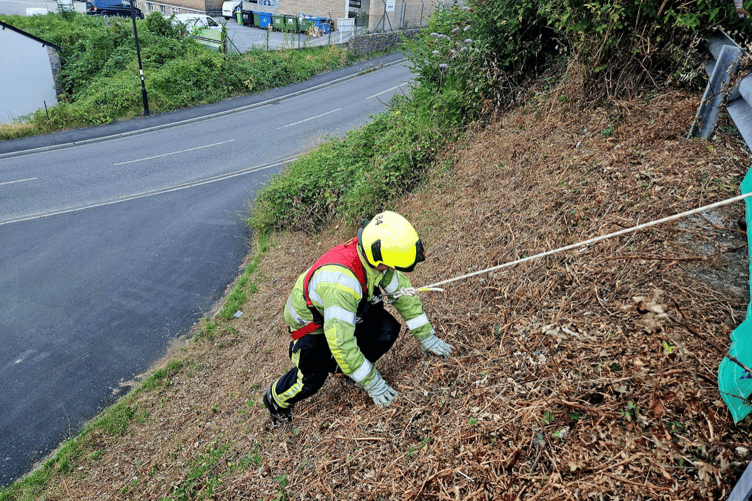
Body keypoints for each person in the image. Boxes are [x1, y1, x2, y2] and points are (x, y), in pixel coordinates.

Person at [263, 211, 453, 424]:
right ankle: (275, 399)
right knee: (312, 379)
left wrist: (426, 336)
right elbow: (341, 343)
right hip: (311, 327)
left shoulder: (375, 257)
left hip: (342, 313)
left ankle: (349, 371)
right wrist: (374, 384)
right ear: (379, 256)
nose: (391, 269)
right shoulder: (342, 283)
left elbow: (403, 294)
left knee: (385, 329)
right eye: (390, 265)